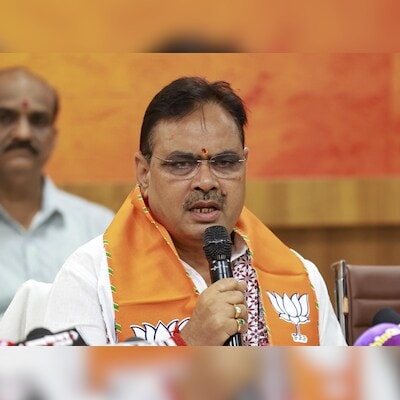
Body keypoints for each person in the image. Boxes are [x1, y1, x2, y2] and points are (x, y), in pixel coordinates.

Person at [43, 76, 346, 346]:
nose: (206, 182)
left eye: (224, 162)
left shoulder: (299, 275)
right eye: (181, 164)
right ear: (144, 173)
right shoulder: (90, 276)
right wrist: (189, 344)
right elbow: (65, 384)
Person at [0, 66, 114, 316]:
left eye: (38, 120)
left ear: (52, 138)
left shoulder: (100, 228)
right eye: (5, 117)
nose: (23, 133)